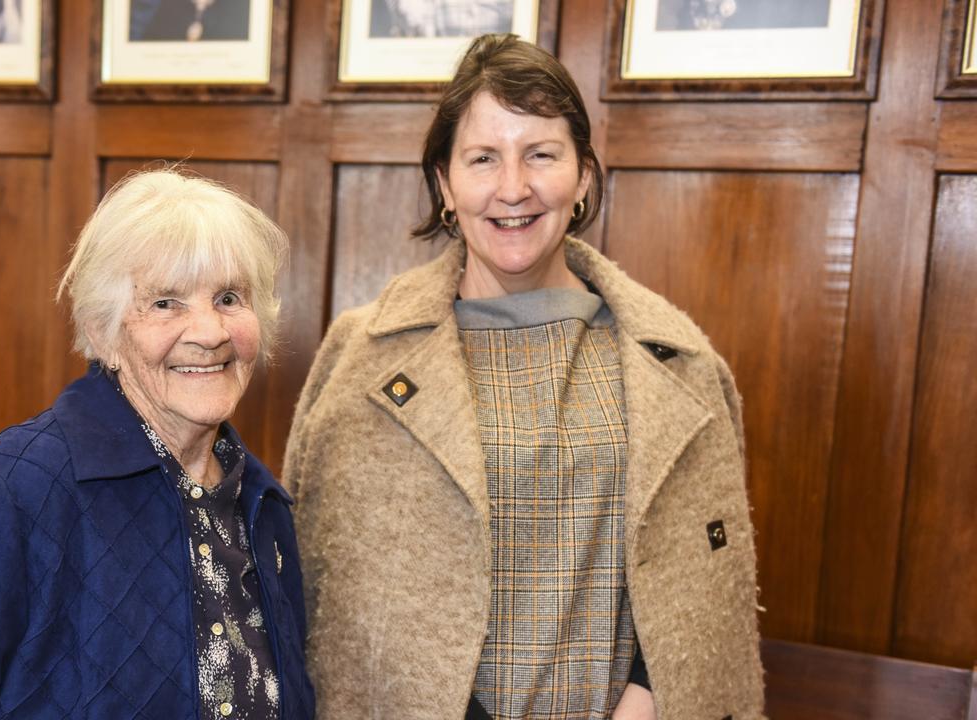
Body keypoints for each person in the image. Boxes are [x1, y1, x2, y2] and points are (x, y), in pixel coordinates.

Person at [284, 34, 764, 720]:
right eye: (483, 159)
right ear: (446, 185)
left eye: (541, 154)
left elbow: (699, 579)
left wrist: (648, 694)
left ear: (585, 177)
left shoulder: (678, 362)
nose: (514, 188)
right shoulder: (361, 355)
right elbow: (323, 581)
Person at [0, 169, 315, 720]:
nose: (209, 331)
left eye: (229, 297)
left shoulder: (262, 506)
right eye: (165, 302)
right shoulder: (1, 496)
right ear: (101, 332)